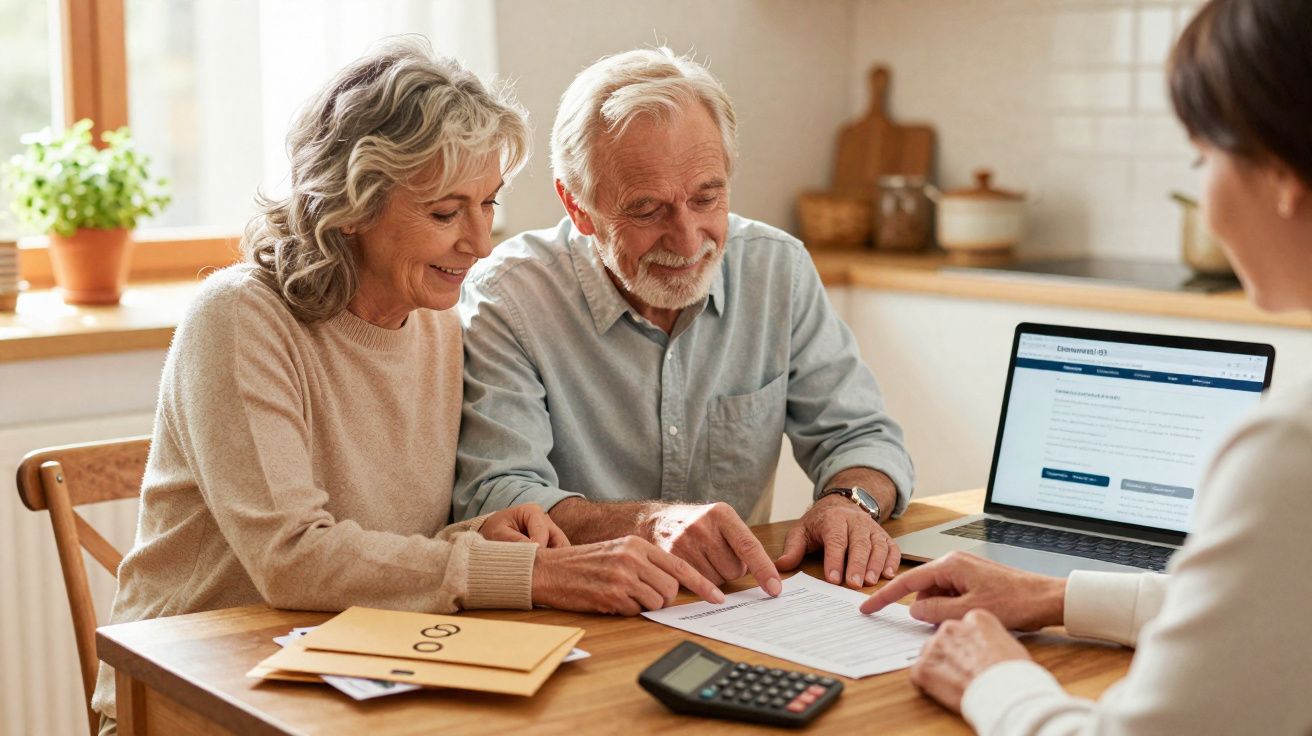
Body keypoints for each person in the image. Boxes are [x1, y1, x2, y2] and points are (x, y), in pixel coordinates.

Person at [91, 38, 721, 734]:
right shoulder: (241, 317)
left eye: (488, 204)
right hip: (192, 688)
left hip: (357, 669)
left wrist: (484, 531)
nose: (481, 243)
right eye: (447, 214)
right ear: (351, 207)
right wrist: (529, 576)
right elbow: (295, 559)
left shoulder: (436, 319)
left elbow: (393, 538)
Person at [859, 1, 1312, 732]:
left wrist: (996, 680)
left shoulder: (1292, 445)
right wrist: (1055, 597)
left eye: (1204, 158)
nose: (1203, 194)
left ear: (1283, 171)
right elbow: (1283, 600)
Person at [455, 47, 915, 602]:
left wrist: (850, 501)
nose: (689, 239)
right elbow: (498, 494)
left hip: (735, 603)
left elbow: (862, 437)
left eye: (707, 197)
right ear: (577, 206)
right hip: (579, 611)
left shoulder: (776, 267)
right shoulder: (509, 295)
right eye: (647, 210)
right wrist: (650, 523)